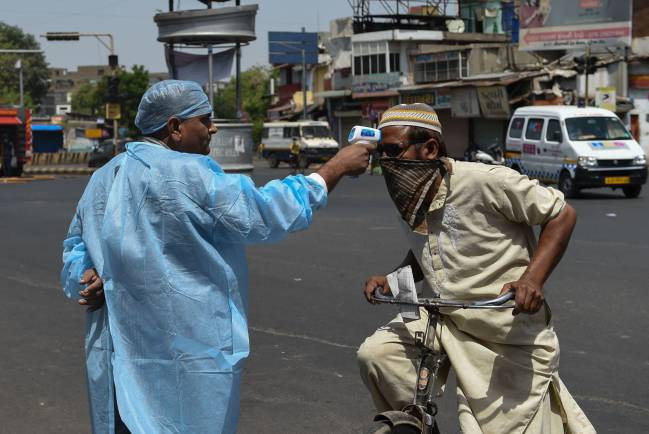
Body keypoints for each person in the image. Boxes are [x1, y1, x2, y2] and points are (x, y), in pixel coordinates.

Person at [61, 80, 372, 434]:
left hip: (117, 354)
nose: (214, 128)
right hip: (181, 356)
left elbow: (76, 246)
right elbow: (265, 214)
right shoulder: (190, 175)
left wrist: (84, 277)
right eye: (205, 119)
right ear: (175, 127)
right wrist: (333, 169)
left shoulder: (103, 177)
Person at [357, 103, 595, 433]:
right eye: (382, 152)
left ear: (429, 149)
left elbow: (562, 214)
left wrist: (531, 280)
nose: (386, 162)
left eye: (394, 151)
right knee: (377, 356)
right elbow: (428, 252)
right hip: (443, 320)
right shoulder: (409, 196)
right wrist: (394, 280)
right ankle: (419, 424)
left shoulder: (485, 181)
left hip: (503, 329)